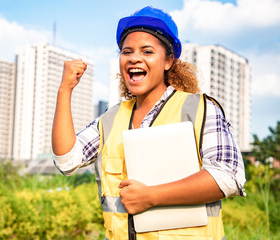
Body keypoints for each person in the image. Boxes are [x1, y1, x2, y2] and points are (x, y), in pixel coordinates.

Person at [52, 6, 246, 240]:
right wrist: (65, 90)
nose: (134, 58)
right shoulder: (111, 118)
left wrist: (152, 196)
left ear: (168, 61)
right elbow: (66, 160)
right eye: (127, 51)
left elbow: (228, 176)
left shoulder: (200, 108)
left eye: (147, 51)